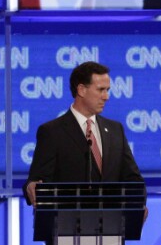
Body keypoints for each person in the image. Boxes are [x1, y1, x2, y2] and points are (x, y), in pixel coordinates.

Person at [22, 61, 145, 207]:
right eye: (101, 90)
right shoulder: (52, 132)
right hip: (67, 223)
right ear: (81, 90)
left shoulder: (115, 130)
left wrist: (138, 205)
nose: (106, 97)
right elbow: (37, 181)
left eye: (107, 90)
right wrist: (32, 187)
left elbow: (133, 179)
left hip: (113, 224)